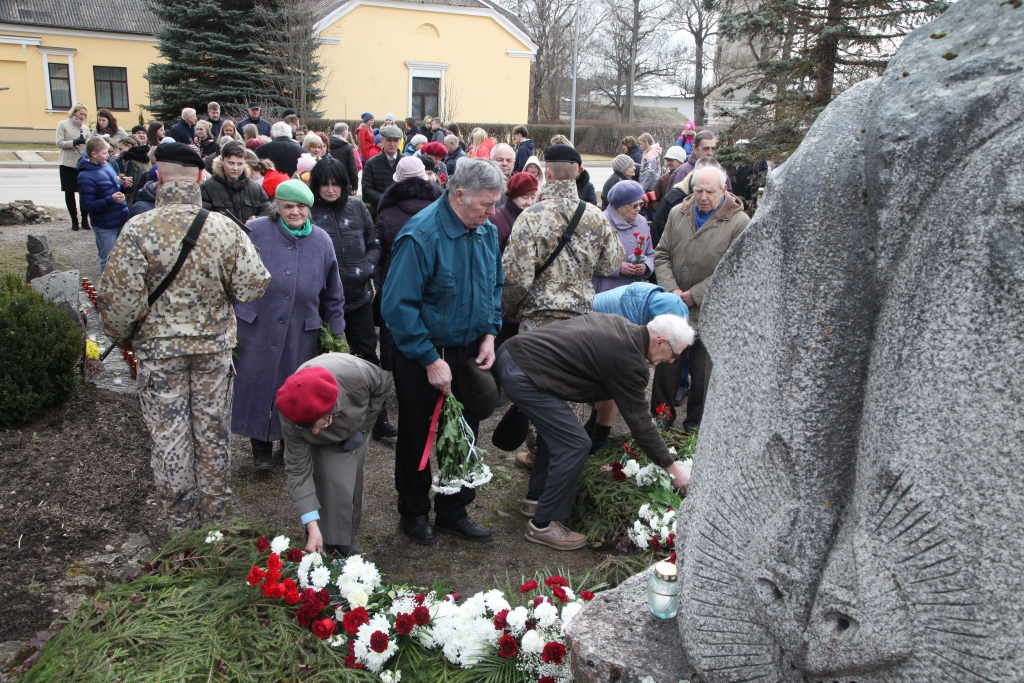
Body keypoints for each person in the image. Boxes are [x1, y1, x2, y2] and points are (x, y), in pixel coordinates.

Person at [97, 142, 271, 532]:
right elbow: (253, 285)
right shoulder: (223, 228)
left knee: (170, 438)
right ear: (199, 178)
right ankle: (214, 526)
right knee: (213, 435)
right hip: (212, 349)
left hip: (159, 353)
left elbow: (119, 304)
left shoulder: (137, 229)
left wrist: (129, 339)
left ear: (158, 176)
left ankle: (180, 527)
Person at [380, 158, 504, 546]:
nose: (493, 211)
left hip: (468, 349)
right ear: (459, 193)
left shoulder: (484, 231)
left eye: (496, 203)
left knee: (465, 431)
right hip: (423, 352)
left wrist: (489, 334)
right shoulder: (421, 235)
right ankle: (414, 511)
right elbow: (397, 307)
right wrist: (431, 360)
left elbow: (494, 285)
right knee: (419, 432)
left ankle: (454, 509)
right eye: (487, 203)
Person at [493, 312, 693, 549]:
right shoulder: (630, 362)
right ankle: (543, 526)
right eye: (675, 355)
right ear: (660, 342)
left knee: (559, 434)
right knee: (575, 444)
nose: (672, 361)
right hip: (525, 373)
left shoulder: (621, 326)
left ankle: (535, 499)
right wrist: (672, 468)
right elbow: (641, 422)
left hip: (515, 356)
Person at [232, 179, 346, 470]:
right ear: (277, 207)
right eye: (288, 206)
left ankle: (289, 443)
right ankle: (260, 446)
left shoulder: (321, 240)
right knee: (258, 382)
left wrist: (337, 331)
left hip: (301, 327)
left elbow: (333, 293)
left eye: (301, 207)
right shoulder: (256, 230)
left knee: (295, 385)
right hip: (258, 323)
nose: (295, 212)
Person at [653, 160, 749, 431]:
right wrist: (672, 291)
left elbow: (735, 272)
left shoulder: (739, 222)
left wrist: (695, 294)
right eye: (698, 191)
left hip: (711, 313)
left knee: (704, 375)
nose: (703, 197)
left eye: (710, 191)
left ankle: (696, 430)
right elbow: (661, 255)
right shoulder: (677, 213)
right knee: (665, 370)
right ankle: (660, 424)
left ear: (724, 190)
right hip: (674, 309)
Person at [307, 157, 397, 439]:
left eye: (336, 184)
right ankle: (327, 420)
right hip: (323, 304)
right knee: (325, 362)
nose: (331, 189)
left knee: (368, 358)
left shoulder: (357, 207)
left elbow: (375, 242)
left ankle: (377, 417)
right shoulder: (309, 211)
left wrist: (367, 267)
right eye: (325, 184)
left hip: (359, 299)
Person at [277, 356, 392, 555]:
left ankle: (345, 538)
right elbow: (298, 472)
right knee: (327, 478)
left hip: (356, 424)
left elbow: (383, 385)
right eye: (308, 429)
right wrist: (311, 525)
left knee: (351, 481)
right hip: (329, 431)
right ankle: (320, 536)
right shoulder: (291, 411)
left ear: (331, 411)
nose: (314, 432)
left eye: (317, 425)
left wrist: (364, 428)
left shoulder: (356, 373)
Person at [503, 144, 623, 332]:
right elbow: (609, 264)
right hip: (580, 321)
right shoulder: (596, 216)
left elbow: (516, 277)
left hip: (538, 321)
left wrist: (512, 309)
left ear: (548, 173)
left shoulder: (529, 217)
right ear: (577, 174)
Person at [373, 156, 442, 373]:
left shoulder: (386, 211)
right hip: (435, 275)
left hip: (394, 275)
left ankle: (394, 373)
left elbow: (379, 249)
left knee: (393, 326)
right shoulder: (441, 207)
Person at [78, 137, 133, 271]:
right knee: (107, 258)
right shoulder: (85, 176)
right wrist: (111, 200)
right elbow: (87, 205)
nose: (108, 155)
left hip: (120, 219)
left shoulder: (106, 166)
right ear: (94, 154)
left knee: (122, 256)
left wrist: (125, 187)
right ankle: (106, 289)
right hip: (105, 225)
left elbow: (113, 190)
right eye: (104, 153)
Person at [593, 180, 654, 294]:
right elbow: (589, 261)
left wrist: (646, 266)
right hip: (605, 292)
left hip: (636, 291)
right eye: (634, 205)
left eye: (640, 204)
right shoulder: (600, 223)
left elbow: (650, 253)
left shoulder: (642, 222)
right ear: (619, 206)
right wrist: (618, 268)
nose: (639, 208)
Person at [200, 140, 271, 222]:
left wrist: (257, 220)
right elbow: (203, 217)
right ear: (222, 161)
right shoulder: (207, 187)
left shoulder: (255, 188)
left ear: (245, 163)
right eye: (231, 163)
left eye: (239, 164)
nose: (235, 168)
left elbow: (267, 211)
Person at [57, 103, 92, 231]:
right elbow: (59, 143)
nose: (82, 117)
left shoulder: (86, 128)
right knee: (69, 192)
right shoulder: (63, 124)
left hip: (82, 163)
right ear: (73, 113)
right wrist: (74, 142)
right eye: (80, 114)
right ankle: (74, 220)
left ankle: (84, 219)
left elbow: (89, 144)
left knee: (84, 192)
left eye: (84, 115)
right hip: (67, 163)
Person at [360, 124, 403, 220]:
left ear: (400, 141)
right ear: (382, 140)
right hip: (379, 213)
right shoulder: (371, 163)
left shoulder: (407, 162)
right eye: (389, 140)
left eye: (395, 140)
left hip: (402, 212)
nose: (392, 144)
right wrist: (385, 199)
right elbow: (366, 189)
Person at [492, 172, 538, 252]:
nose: (530, 203)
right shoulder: (496, 219)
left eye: (533, 198)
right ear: (513, 198)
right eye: (525, 198)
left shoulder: (537, 215)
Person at [326, 122, 360, 191]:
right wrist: (354, 186)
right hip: (344, 182)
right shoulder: (348, 147)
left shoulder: (326, 145)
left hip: (327, 180)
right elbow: (353, 167)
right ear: (344, 134)